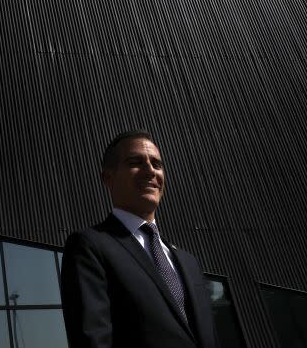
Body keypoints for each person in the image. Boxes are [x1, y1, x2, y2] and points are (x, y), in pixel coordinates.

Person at [60, 130, 220, 348]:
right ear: (108, 177)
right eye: (136, 162)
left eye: (157, 164)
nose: (150, 171)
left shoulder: (189, 262)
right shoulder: (90, 246)